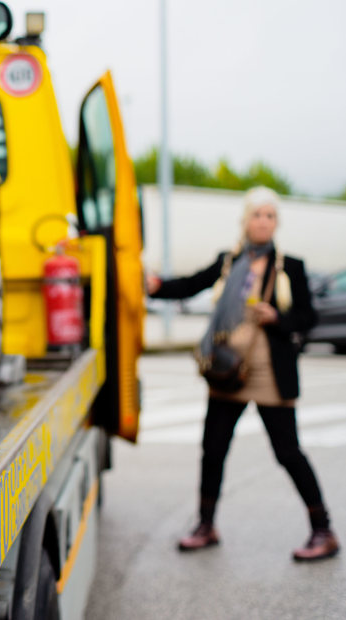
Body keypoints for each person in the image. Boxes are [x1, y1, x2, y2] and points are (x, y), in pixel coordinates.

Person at [146, 186, 339, 562]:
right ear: (245, 220)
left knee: (287, 452)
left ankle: (323, 530)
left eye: (270, 215)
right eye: (257, 214)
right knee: (213, 449)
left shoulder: (290, 267)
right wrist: (156, 287)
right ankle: (206, 524)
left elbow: (308, 318)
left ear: (276, 222)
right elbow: (191, 284)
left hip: (271, 372)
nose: (263, 221)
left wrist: (277, 318)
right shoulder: (228, 261)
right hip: (228, 368)